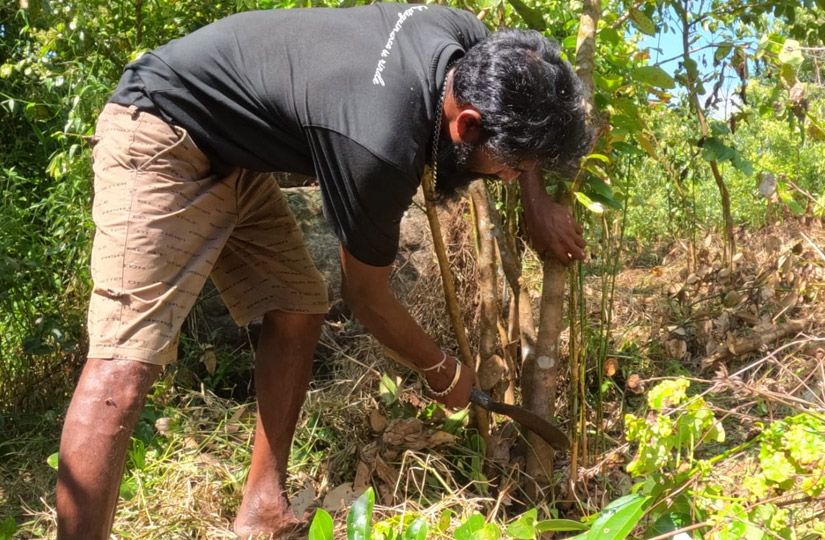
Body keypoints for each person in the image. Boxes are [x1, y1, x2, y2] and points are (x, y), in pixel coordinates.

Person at [56, 3, 589, 538]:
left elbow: (516, 111)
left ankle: (262, 508)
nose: (511, 176)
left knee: (296, 305)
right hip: (160, 130)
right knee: (123, 368)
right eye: (514, 166)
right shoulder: (378, 147)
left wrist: (536, 200)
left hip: (233, 148)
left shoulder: (465, 41)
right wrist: (440, 369)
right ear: (466, 126)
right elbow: (366, 298)